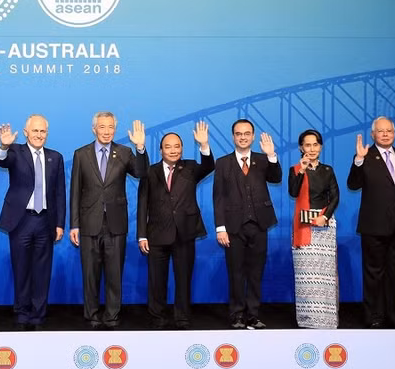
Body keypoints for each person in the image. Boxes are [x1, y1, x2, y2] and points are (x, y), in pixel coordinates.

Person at [69, 111, 147, 329]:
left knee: (114, 274)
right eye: (102, 127)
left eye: (110, 127)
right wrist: (74, 224)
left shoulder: (124, 152)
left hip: (115, 223)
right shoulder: (81, 154)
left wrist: (140, 148)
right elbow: (75, 191)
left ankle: (112, 315)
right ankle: (92, 315)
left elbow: (141, 172)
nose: (106, 131)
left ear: (115, 129)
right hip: (88, 222)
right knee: (90, 274)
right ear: (94, 129)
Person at [137, 121, 213, 330]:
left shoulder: (190, 167)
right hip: (156, 234)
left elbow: (208, 167)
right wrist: (142, 235)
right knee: (156, 281)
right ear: (161, 150)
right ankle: (158, 318)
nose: (173, 150)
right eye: (168, 147)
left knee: (183, 279)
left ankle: (182, 318)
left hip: (184, 234)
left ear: (182, 148)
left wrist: (204, 146)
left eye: (177, 146)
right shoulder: (150, 172)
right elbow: (142, 203)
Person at [0, 115, 66, 330]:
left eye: (43, 131)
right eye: (35, 131)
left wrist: (60, 224)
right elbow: (1, 160)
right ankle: (22, 311)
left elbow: (60, 194)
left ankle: (38, 312)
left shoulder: (56, 157)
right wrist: (3, 147)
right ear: (26, 132)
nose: (39, 135)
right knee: (21, 268)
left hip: (45, 220)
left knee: (42, 270)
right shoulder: (15, 151)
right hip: (21, 221)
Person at [348, 116, 395, 328]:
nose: (386, 134)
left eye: (389, 131)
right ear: (373, 134)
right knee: (373, 274)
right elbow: (353, 184)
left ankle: (394, 316)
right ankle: (373, 317)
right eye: (381, 131)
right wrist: (358, 161)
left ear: (394, 134)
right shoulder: (365, 156)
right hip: (374, 226)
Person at [213, 118, 281, 329]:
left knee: (255, 272)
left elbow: (276, 177)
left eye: (247, 133)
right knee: (235, 272)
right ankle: (237, 315)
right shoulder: (223, 163)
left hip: (259, 225)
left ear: (252, 136)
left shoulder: (262, 160)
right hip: (233, 228)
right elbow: (218, 197)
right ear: (233, 136)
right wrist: (220, 227)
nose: (243, 137)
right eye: (239, 134)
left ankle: (253, 315)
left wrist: (271, 155)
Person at [288, 129, 339, 329]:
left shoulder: (328, 170)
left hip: (324, 226)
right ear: (301, 148)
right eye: (307, 145)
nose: (311, 149)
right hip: (303, 227)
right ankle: (307, 319)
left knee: (325, 275)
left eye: (315, 144)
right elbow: (293, 192)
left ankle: (326, 319)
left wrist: (324, 216)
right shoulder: (295, 169)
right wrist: (301, 170)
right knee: (306, 275)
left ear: (320, 146)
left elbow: (335, 196)